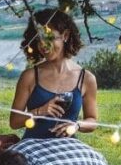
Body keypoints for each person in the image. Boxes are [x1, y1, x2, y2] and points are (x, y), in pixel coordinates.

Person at [9, 8, 98, 139]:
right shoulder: (29, 77)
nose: (44, 45)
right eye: (39, 39)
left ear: (65, 36)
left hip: (68, 148)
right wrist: (40, 111)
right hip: (33, 146)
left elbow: (92, 121)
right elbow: (14, 122)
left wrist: (76, 125)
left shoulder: (86, 78)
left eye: (49, 38)